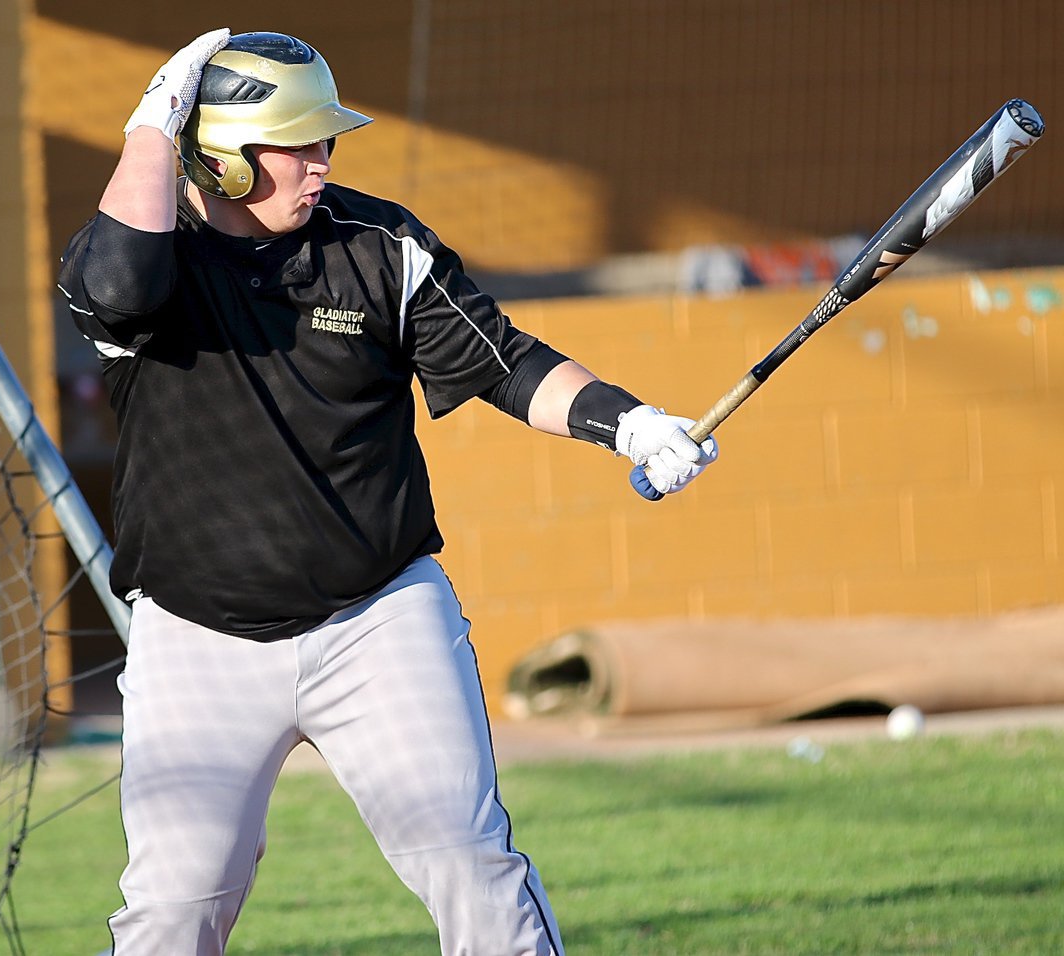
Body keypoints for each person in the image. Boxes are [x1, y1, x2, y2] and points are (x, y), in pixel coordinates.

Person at [58, 28, 718, 956]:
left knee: (467, 861)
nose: (322, 163)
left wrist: (631, 421)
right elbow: (120, 287)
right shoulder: (147, 258)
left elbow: (507, 363)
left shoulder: (378, 245)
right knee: (173, 908)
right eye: (296, 144)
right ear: (222, 158)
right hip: (197, 636)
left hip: (377, 617)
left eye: (327, 141)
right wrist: (153, 125)